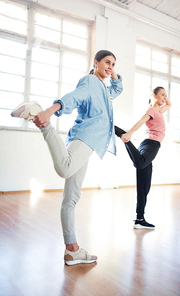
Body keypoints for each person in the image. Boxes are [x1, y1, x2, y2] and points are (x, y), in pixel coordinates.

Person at [11, 50, 123, 265]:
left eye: (114, 64)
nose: (110, 67)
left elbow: (118, 89)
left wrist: (113, 72)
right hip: (86, 137)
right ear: (95, 62)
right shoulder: (90, 81)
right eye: (107, 62)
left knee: (70, 199)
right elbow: (75, 96)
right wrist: (51, 110)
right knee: (64, 168)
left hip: (87, 141)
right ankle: (41, 121)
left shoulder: (105, 90)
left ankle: (72, 250)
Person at [115, 86, 171, 229]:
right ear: (154, 95)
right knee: (140, 164)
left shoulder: (159, 110)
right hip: (151, 144)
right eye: (162, 94)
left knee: (144, 186)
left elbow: (169, 104)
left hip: (147, 145)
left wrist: (163, 98)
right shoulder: (152, 110)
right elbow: (141, 121)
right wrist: (129, 133)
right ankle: (122, 135)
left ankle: (139, 219)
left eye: (166, 95)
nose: (164, 97)